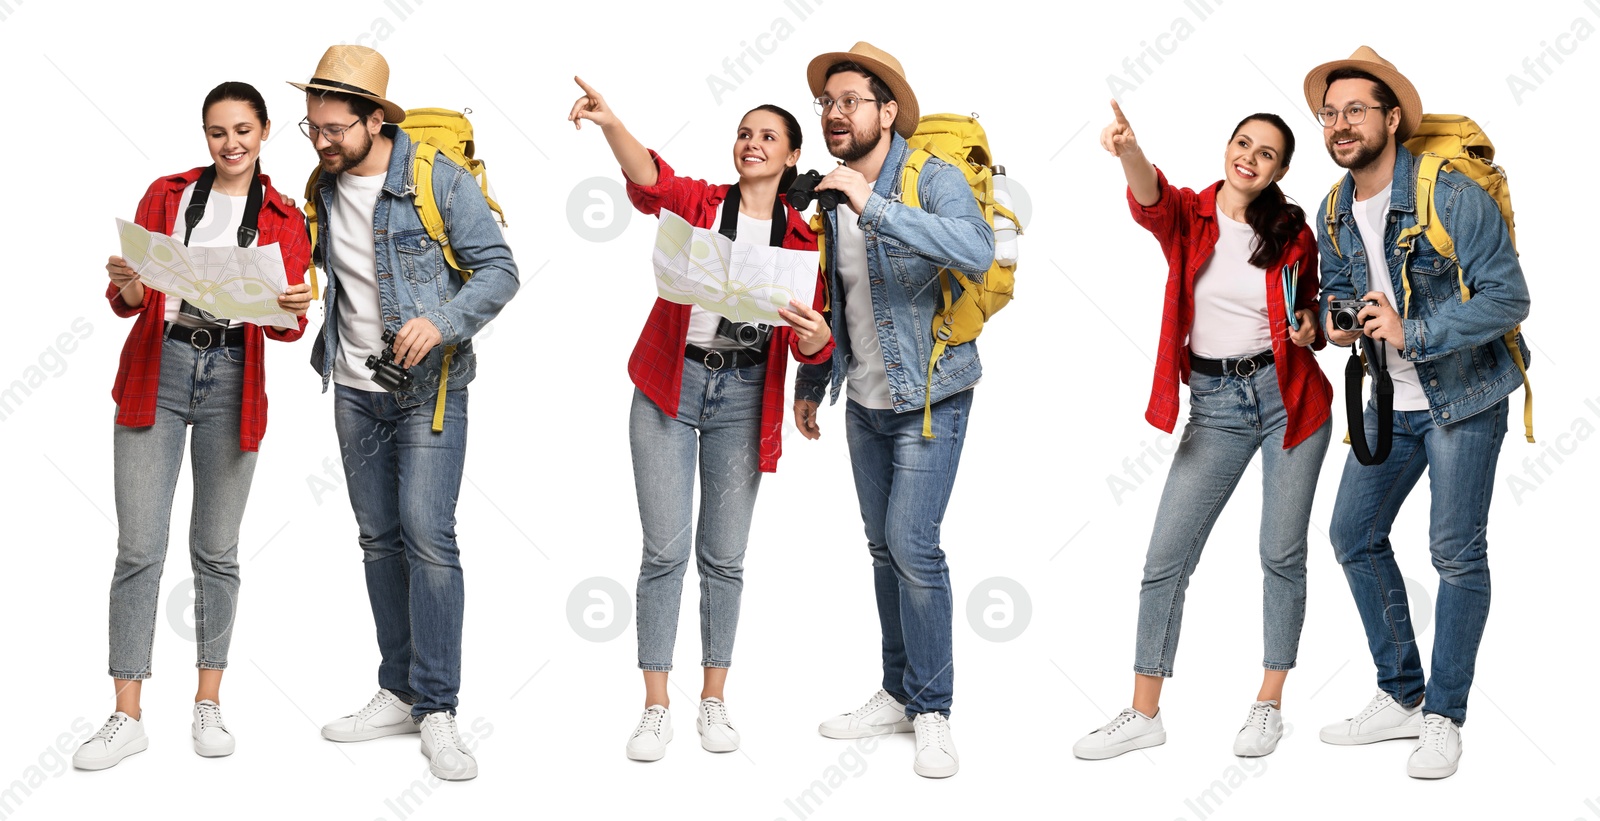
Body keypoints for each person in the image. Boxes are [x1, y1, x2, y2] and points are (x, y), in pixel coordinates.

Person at [567, 77, 834, 762]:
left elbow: (821, 339)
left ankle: (713, 698)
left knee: (724, 556)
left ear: (792, 154)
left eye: (768, 136)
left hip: (744, 396)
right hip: (669, 382)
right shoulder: (704, 204)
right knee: (664, 550)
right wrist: (610, 124)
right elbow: (650, 178)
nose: (752, 143)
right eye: (745, 133)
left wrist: (809, 338)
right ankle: (655, 705)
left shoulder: (809, 237)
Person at [1071, 101, 1332, 761]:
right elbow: (1149, 197)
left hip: (1290, 399)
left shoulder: (1294, 230)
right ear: (1228, 147)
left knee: (1280, 553)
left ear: (1280, 169)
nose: (1249, 156)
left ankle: (1268, 703)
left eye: (1266, 152)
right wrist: (1128, 149)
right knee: (1166, 559)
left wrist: (1310, 327)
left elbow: (1312, 312)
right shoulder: (1191, 213)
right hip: (1216, 403)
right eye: (1242, 143)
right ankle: (1143, 712)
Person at [293, 45, 519, 782]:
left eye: (335, 128)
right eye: (312, 127)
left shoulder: (434, 179)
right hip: (355, 386)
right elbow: (330, 274)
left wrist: (443, 322)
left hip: (430, 391)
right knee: (378, 538)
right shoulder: (320, 186)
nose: (323, 140)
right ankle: (396, 689)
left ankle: (440, 708)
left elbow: (500, 270)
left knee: (429, 537)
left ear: (372, 119)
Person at [75, 82, 313, 771]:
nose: (230, 144)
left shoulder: (285, 215)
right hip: (162, 364)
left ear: (266, 131)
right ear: (204, 136)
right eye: (217, 132)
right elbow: (129, 301)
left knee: (216, 548)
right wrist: (125, 282)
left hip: (235, 377)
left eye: (243, 130)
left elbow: (290, 324)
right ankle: (126, 714)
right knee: (139, 547)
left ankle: (208, 700)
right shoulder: (167, 193)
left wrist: (294, 302)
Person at [1306, 47, 1529, 780]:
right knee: (1352, 533)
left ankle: (1444, 713)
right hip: (1389, 402)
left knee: (1455, 553)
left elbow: (1508, 299)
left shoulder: (1451, 191)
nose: (1341, 125)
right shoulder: (1333, 207)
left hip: (1463, 398)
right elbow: (1342, 289)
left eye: (1356, 110)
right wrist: (1338, 322)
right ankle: (1401, 694)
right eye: (1331, 113)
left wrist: (1415, 331)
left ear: (1392, 118)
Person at [792, 42, 994, 779]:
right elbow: (840, 298)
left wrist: (871, 206)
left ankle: (934, 706)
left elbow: (973, 248)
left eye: (851, 101)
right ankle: (897, 688)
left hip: (932, 395)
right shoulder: (829, 191)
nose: (836, 114)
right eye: (827, 102)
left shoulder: (929, 177)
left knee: (914, 543)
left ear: (886, 111)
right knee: (882, 547)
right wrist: (815, 382)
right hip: (867, 402)